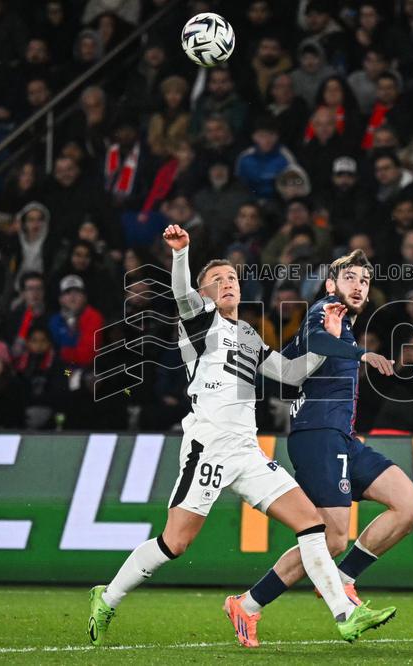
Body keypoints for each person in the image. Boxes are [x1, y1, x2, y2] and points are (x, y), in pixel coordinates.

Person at [89, 226, 396, 646]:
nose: (228, 283)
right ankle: (106, 597)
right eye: (217, 280)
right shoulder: (198, 322)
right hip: (209, 448)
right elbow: (181, 294)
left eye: (232, 278)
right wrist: (182, 254)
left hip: (247, 451)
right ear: (205, 293)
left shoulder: (248, 335)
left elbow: (289, 374)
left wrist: (325, 338)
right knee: (175, 543)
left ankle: (344, 614)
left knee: (312, 525)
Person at [227, 249, 413, 645]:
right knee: (331, 537)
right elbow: (316, 338)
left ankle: (343, 579)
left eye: (364, 282)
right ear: (332, 284)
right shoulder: (324, 310)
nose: (358, 286)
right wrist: (361, 353)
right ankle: (247, 604)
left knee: (412, 506)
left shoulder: (345, 323)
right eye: (350, 278)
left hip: (343, 439)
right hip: (316, 435)